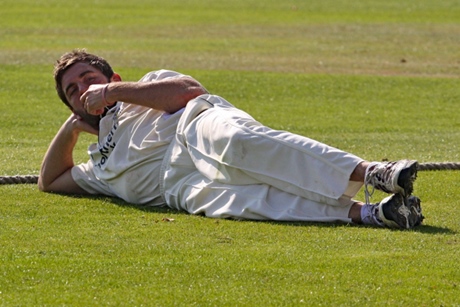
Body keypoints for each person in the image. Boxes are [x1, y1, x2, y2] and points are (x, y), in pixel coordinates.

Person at [39, 49, 424, 229]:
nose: (82, 88)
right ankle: (376, 213)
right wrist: (73, 126)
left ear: (113, 78)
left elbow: (188, 91)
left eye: (88, 77)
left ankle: (374, 173)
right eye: (72, 91)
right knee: (248, 201)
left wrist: (111, 95)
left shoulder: (144, 87)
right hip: (176, 187)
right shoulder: (97, 165)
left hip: (192, 126)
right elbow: (49, 181)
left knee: (238, 142)